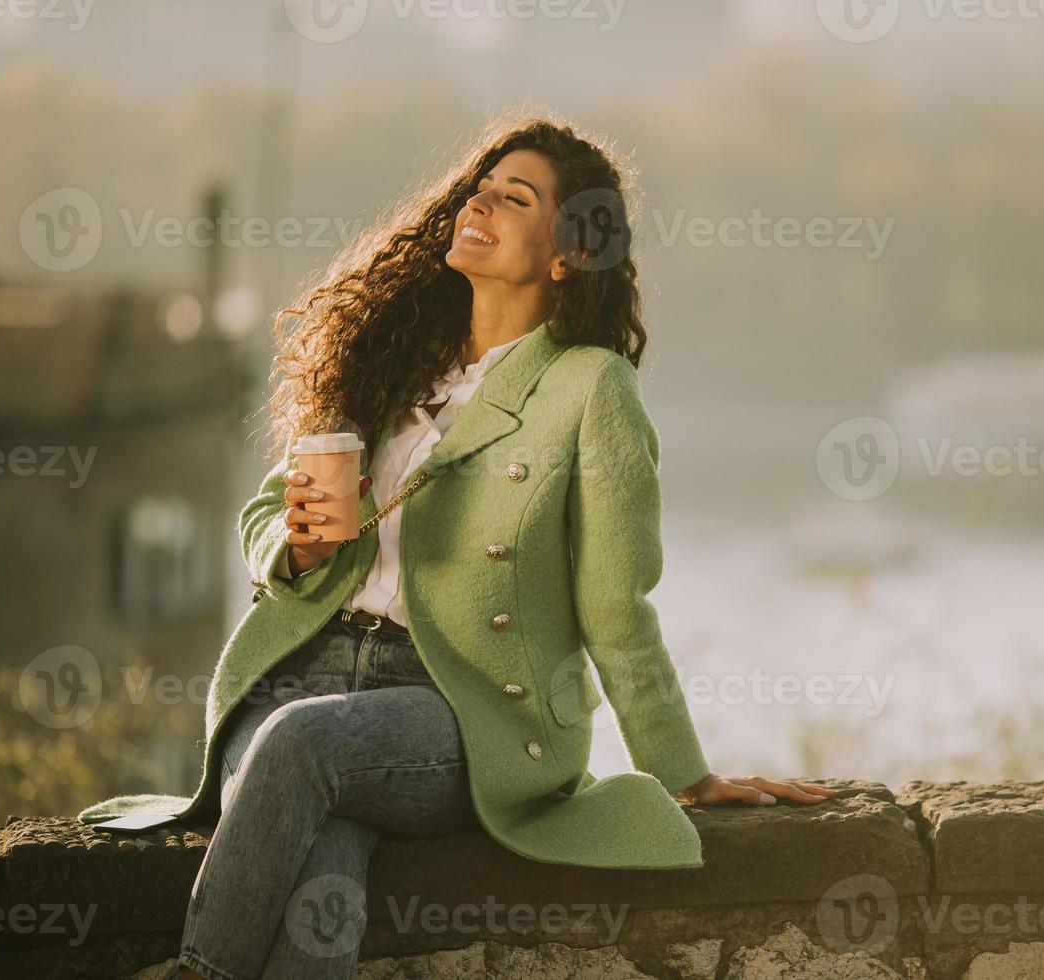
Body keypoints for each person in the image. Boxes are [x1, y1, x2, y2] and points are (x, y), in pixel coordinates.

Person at [91, 113, 837, 980]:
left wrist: (683, 769)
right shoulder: (386, 360)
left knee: (301, 751)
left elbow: (615, 606)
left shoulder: (591, 389)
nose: (479, 200)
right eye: (479, 186)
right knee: (325, 849)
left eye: (513, 197)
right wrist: (294, 548)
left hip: (464, 711)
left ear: (566, 254)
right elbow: (265, 514)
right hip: (302, 671)